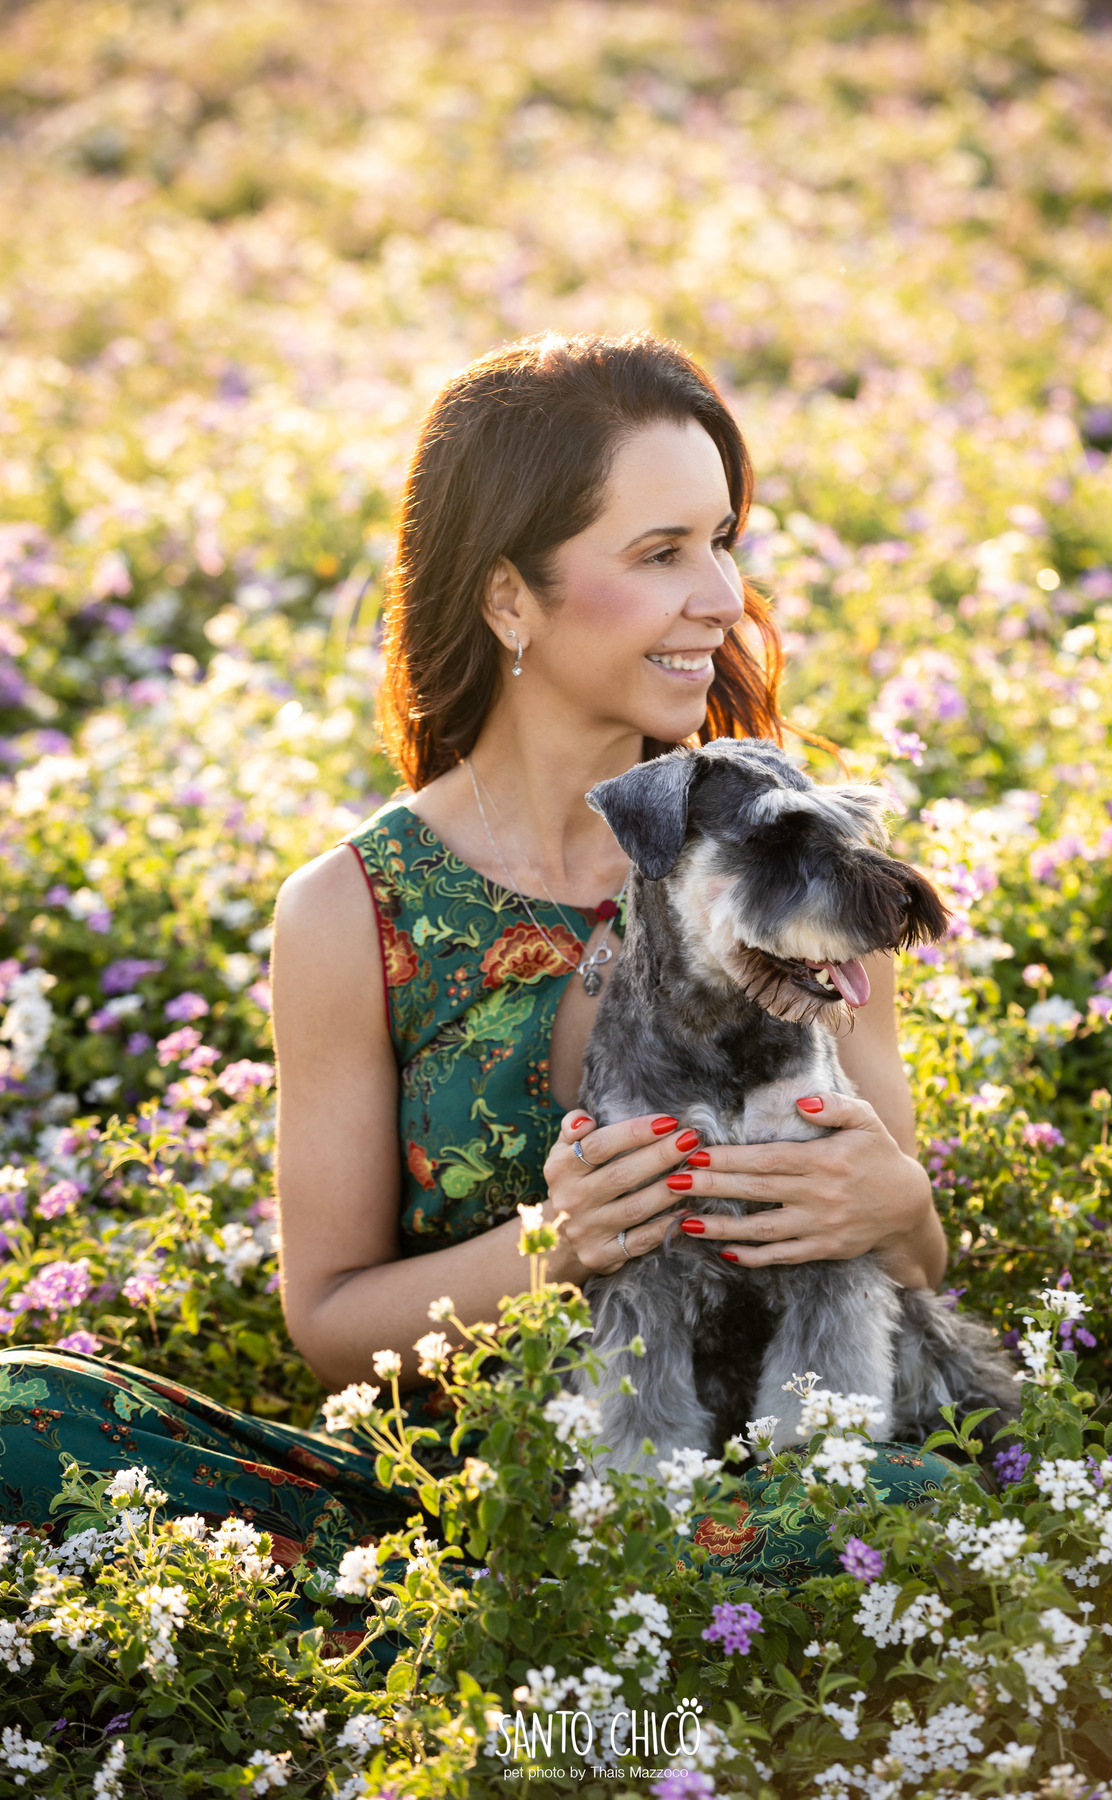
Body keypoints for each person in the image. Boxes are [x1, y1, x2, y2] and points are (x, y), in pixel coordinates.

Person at [0, 331, 948, 1613]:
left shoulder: (791, 866)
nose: (721, 596)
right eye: (661, 553)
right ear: (510, 597)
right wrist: (551, 1249)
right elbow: (330, 1315)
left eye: (723, 541)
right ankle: (487, 1623)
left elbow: (912, 1261)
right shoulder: (354, 908)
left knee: (895, 1518)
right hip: (461, 1496)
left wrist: (899, 1210)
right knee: (24, 1414)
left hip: (778, 1469)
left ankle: (525, 1647)